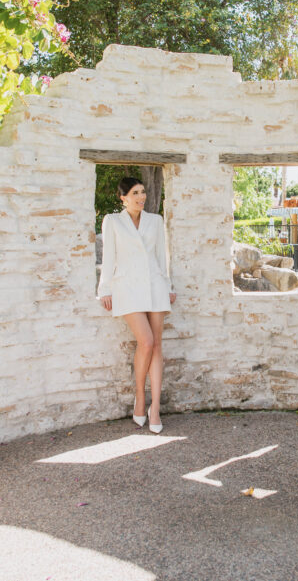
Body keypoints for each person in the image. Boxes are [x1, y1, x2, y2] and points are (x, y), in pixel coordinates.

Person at [98, 177, 176, 434]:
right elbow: (109, 257)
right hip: (127, 287)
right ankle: (139, 398)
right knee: (146, 342)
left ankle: (154, 407)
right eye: (135, 193)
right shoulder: (113, 221)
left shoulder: (155, 221)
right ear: (123, 198)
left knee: (158, 344)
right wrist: (105, 289)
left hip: (154, 285)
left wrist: (168, 286)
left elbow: (160, 258)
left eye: (142, 192)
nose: (141, 197)